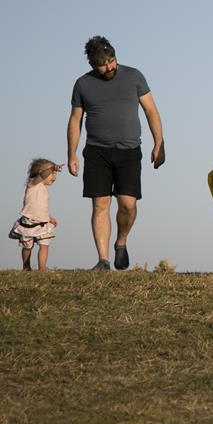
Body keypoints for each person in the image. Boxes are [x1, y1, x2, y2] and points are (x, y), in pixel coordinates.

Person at [67, 36, 165, 271]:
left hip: (129, 151)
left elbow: (151, 110)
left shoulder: (134, 76)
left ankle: (121, 242)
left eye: (112, 60)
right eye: (104, 64)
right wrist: (72, 154)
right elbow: (75, 119)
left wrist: (159, 143)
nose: (110, 66)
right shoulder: (82, 84)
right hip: (97, 151)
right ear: (92, 64)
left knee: (128, 205)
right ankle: (103, 260)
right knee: (100, 205)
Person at [8, 159, 63, 271]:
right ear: (40, 173)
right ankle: (26, 266)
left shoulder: (44, 189)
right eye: (52, 173)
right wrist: (52, 168)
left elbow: (40, 208)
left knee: (44, 245)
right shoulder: (33, 184)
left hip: (42, 223)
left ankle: (42, 268)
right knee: (27, 247)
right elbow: (42, 176)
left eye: (55, 174)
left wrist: (49, 218)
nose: (54, 177)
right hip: (28, 223)